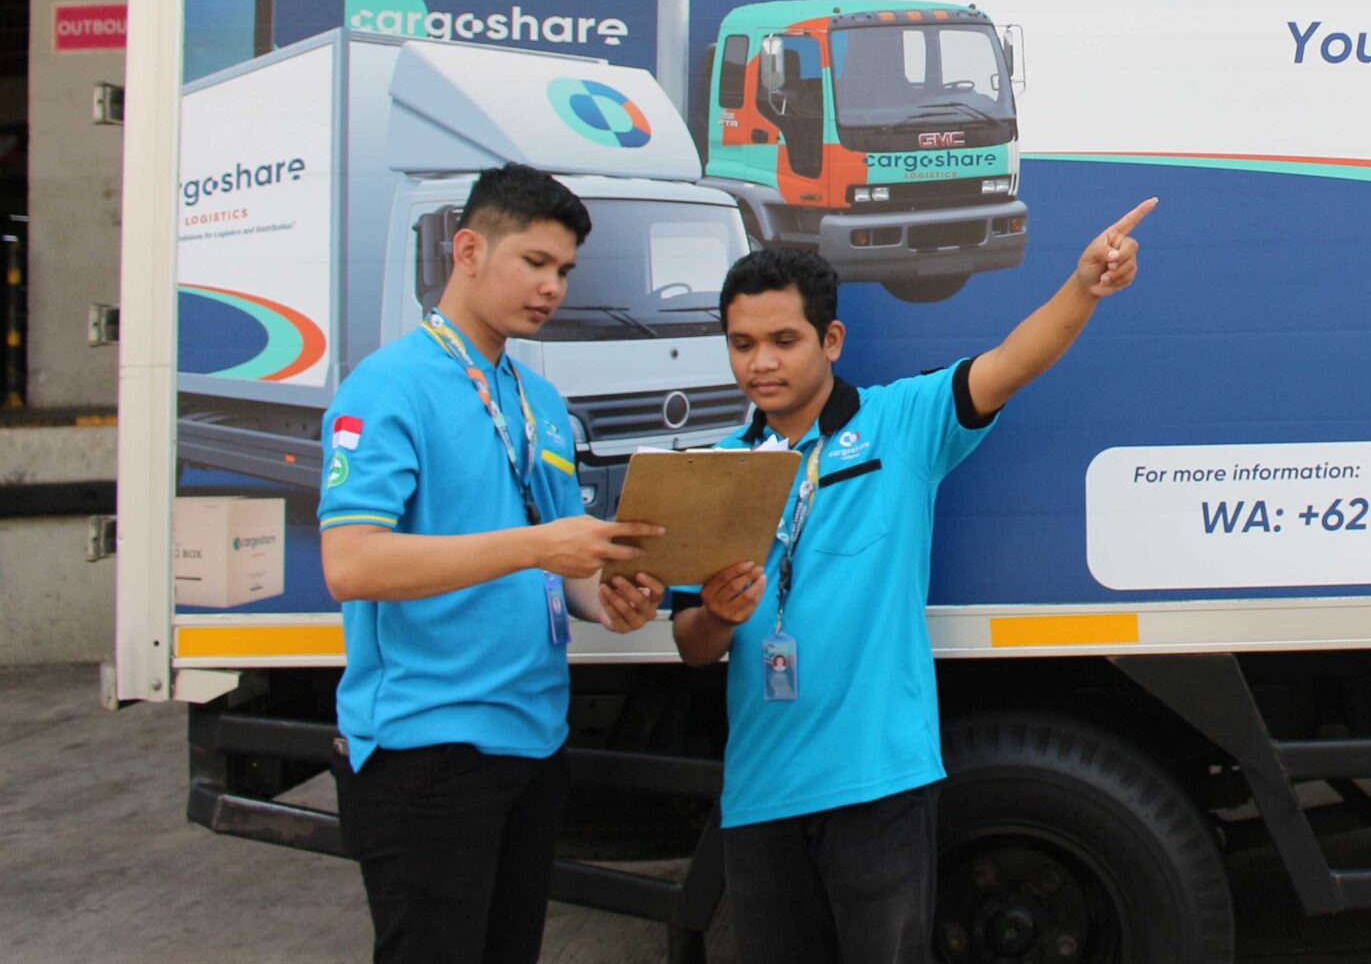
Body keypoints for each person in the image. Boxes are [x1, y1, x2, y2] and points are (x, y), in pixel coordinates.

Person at [669, 199, 1156, 963]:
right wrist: (721, 615)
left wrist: (1083, 286)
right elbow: (692, 644)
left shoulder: (902, 423)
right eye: (743, 343)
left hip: (881, 783)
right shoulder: (712, 469)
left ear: (831, 339)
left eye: (784, 340)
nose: (761, 362)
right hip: (761, 793)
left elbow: (1012, 360)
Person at [318, 162, 670, 964]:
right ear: (469, 249)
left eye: (564, 270)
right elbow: (351, 563)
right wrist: (540, 547)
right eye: (535, 261)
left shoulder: (538, 401)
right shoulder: (388, 386)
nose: (552, 287)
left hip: (534, 739)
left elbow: (561, 559)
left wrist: (605, 596)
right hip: (426, 749)